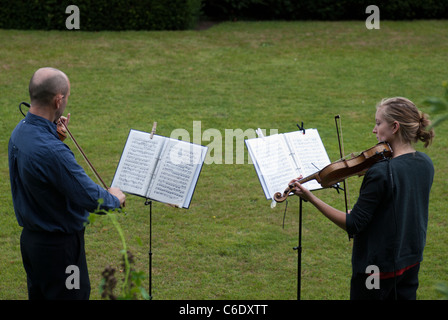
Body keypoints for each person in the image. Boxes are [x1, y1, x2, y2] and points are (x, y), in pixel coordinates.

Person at [290, 97, 434, 300]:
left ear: (394, 127)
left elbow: (353, 224)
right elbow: (398, 208)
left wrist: (311, 197)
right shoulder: (425, 163)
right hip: (410, 261)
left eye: (378, 123)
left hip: (376, 268)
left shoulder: (380, 172)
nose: (374, 130)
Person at [8, 67, 126, 300]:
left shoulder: (20, 131)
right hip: (59, 251)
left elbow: (45, 174)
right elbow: (92, 198)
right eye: (67, 97)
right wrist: (115, 198)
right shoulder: (52, 152)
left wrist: (53, 131)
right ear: (58, 99)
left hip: (33, 244)